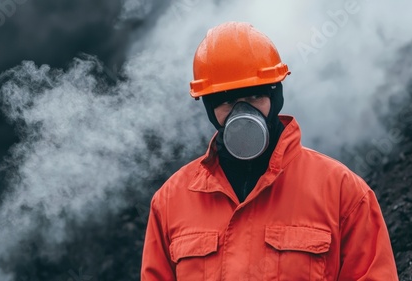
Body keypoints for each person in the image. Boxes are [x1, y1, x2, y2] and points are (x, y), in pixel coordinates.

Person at [141, 21, 398, 281]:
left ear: (276, 97)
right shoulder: (170, 202)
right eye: (228, 100)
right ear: (209, 107)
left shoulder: (343, 192)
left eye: (254, 97)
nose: (242, 113)